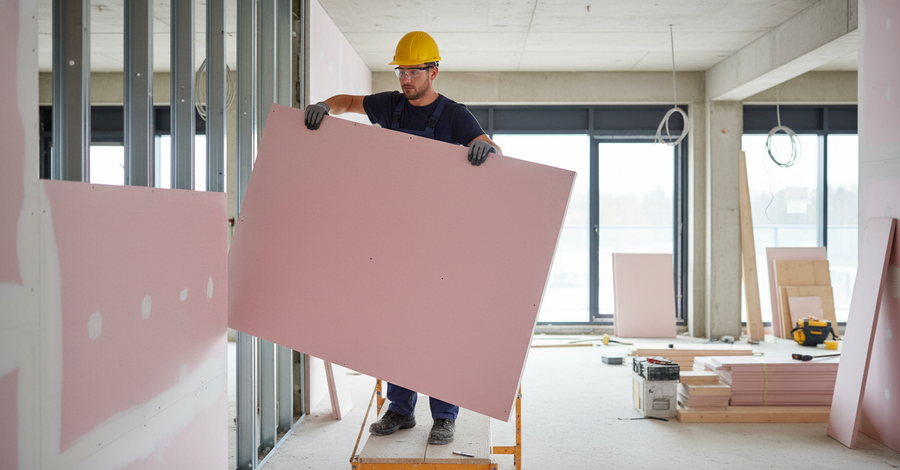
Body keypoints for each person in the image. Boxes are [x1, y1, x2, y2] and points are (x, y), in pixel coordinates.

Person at [303, 31, 500, 445]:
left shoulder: (454, 116)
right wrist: (324, 107)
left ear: (433, 71)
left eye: (413, 71)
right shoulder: (389, 105)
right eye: (401, 70)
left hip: (439, 240)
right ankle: (400, 409)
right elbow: (348, 103)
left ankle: (444, 415)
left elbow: (488, 147)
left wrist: (487, 151)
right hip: (394, 236)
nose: (405, 79)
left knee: (437, 328)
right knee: (395, 325)